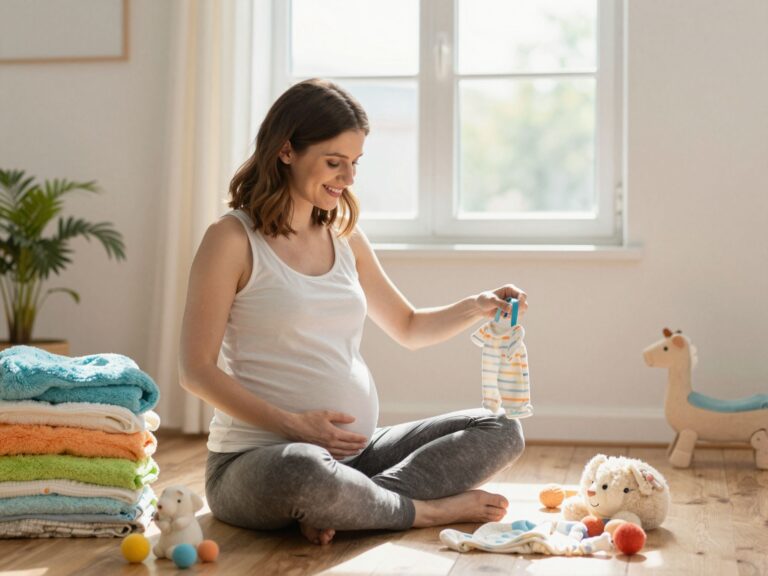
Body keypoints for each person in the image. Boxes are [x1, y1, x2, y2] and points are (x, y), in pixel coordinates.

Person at [179, 78, 528, 546]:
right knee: (306, 470)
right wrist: (295, 426)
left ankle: (352, 505)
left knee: (502, 429)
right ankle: (418, 511)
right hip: (256, 461)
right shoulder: (232, 240)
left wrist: (478, 305)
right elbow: (195, 372)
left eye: (355, 163)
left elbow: (408, 327)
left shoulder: (345, 237)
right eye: (334, 162)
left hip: (356, 455)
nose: (348, 178)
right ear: (286, 151)